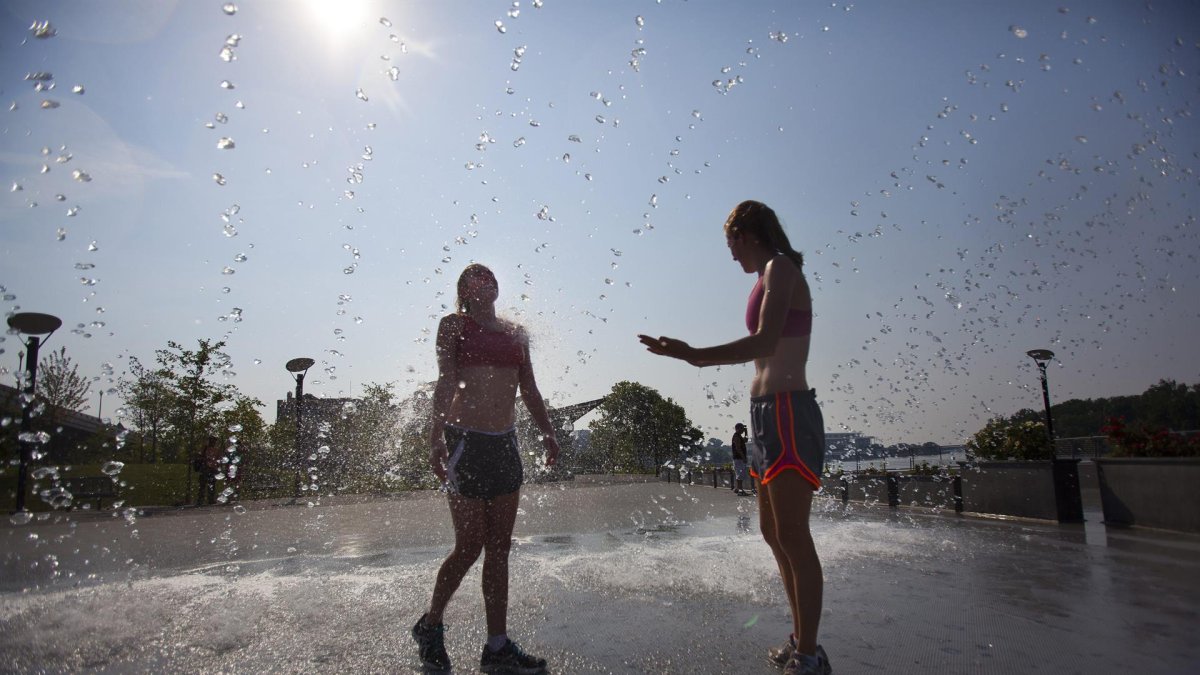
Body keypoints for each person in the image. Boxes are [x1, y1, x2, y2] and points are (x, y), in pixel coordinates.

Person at [638, 200, 832, 675]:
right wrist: (688, 356)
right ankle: (799, 639)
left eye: (731, 244)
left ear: (747, 234)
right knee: (773, 533)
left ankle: (810, 655)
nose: (730, 256)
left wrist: (694, 355)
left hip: (787, 411)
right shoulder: (763, 277)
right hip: (765, 413)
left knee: (793, 534)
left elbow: (766, 343)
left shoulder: (782, 269)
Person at [412, 263, 561, 675]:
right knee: (469, 546)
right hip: (466, 443)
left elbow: (529, 387)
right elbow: (446, 381)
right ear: (463, 290)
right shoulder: (453, 326)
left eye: (490, 276)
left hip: (504, 444)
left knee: (500, 548)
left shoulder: (516, 332)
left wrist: (548, 433)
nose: (485, 281)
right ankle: (430, 624)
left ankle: (497, 646)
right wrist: (435, 436)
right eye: (474, 277)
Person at [731, 422, 752, 496]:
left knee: (739, 474)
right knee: (740, 474)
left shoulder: (739, 436)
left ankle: (737, 489)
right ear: (738, 428)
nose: (743, 430)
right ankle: (740, 490)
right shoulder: (736, 436)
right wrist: (743, 457)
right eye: (742, 428)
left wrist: (746, 432)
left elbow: (745, 440)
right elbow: (738, 448)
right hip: (739, 458)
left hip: (738, 458)